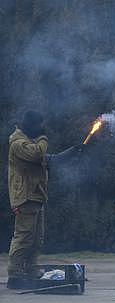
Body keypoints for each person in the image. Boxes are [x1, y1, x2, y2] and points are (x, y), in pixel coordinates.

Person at [7, 111, 82, 289]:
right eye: (40, 125)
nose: (42, 129)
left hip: (36, 196)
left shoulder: (31, 144)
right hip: (25, 196)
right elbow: (36, 154)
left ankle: (30, 269)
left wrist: (73, 151)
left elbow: (50, 160)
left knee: (36, 239)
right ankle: (15, 273)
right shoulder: (18, 144)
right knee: (24, 237)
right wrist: (43, 138)